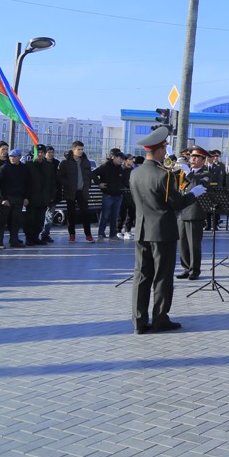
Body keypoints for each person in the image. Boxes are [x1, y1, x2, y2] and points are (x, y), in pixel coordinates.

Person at [129, 126, 205, 334]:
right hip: (162, 232)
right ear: (161, 150)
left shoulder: (135, 173)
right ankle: (160, 318)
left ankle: (139, 321)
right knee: (162, 276)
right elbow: (176, 203)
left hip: (142, 230)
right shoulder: (165, 175)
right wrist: (194, 194)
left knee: (141, 276)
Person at [175, 146, 211, 280]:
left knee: (193, 243)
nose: (192, 159)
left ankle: (194, 270)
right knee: (183, 242)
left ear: (203, 160)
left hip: (195, 213)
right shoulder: (183, 173)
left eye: (196, 157)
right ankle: (185, 268)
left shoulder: (205, 174)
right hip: (182, 212)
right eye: (192, 157)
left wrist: (189, 172)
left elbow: (199, 186)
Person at [57, 140, 94, 242]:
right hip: (71, 192)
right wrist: (68, 184)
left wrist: (88, 184)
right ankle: (72, 234)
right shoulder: (65, 163)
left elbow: (89, 175)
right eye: (79, 149)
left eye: (82, 149)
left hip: (83, 191)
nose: (81, 151)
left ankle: (88, 235)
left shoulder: (86, 162)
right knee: (71, 214)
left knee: (85, 213)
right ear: (73, 150)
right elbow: (60, 177)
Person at [0, 148, 28, 248]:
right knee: (2, 221)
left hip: (19, 198)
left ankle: (14, 241)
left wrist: (25, 197)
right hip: (7, 198)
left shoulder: (24, 168)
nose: (12, 158)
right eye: (10, 156)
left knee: (16, 221)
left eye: (14, 156)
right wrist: (3, 198)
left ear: (19, 157)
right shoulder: (4, 168)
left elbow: (27, 184)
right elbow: (0, 185)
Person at [24, 144, 55, 245]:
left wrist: (51, 196)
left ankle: (36, 237)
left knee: (40, 220)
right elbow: (25, 183)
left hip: (43, 197)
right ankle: (29, 238)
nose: (40, 154)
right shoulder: (28, 165)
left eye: (42, 152)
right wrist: (25, 197)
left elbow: (51, 182)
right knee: (30, 219)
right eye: (38, 152)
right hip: (32, 198)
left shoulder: (48, 166)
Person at [92, 150, 125, 240]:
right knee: (105, 216)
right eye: (120, 159)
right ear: (115, 157)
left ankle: (113, 234)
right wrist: (99, 183)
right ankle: (101, 233)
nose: (121, 161)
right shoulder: (106, 166)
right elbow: (93, 173)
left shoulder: (120, 168)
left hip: (118, 195)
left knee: (115, 216)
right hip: (108, 195)